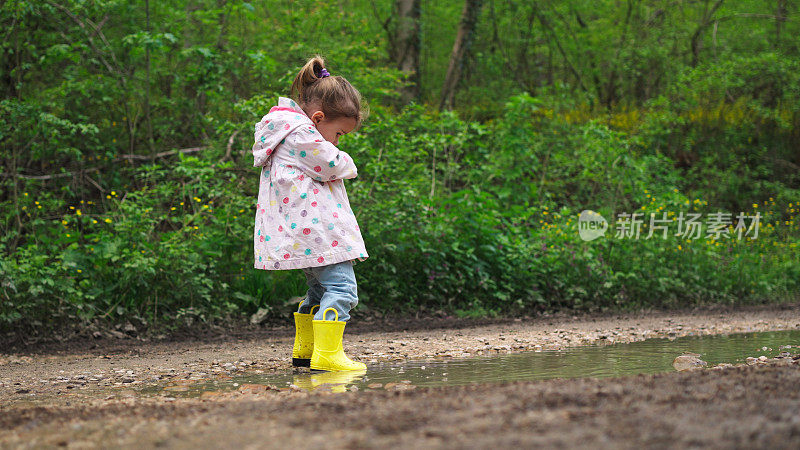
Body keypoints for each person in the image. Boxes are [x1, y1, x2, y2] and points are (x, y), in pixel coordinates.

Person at [252, 55, 368, 372]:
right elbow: (333, 164)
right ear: (317, 118)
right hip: (320, 233)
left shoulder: (285, 133)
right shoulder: (302, 135)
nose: (337, 141)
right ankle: (327, 355)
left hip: (306, 233)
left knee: (318, 289)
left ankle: (307, 350)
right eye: (339, 134)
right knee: (343, 290)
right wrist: (349, 163)